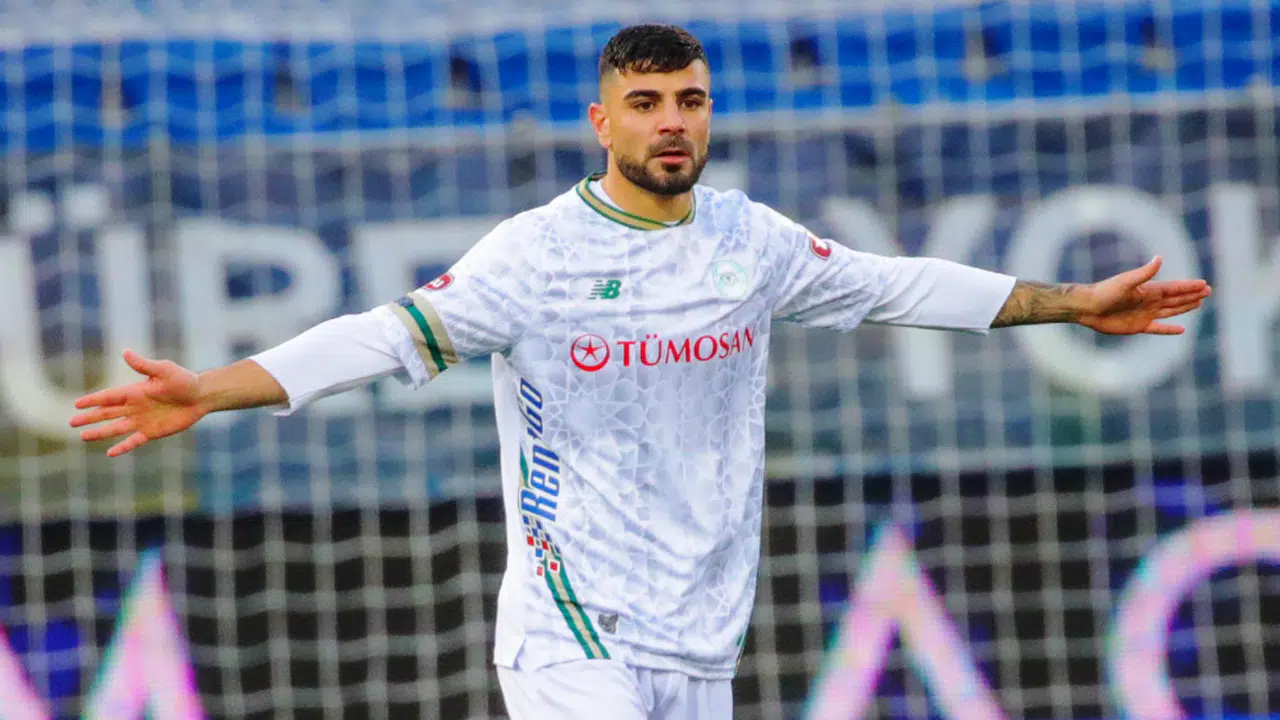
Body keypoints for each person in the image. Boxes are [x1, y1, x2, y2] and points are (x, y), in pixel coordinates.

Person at [70, 23, 1211, 720]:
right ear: (601, 122)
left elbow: (895, 285)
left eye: (689, 102)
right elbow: (380, 336)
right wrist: (208, 390)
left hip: (702, 632)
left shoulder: (750, 239)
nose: (672, 123)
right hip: (574, 625)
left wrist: (1075, 303)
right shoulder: (535, 256)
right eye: (646, 104)